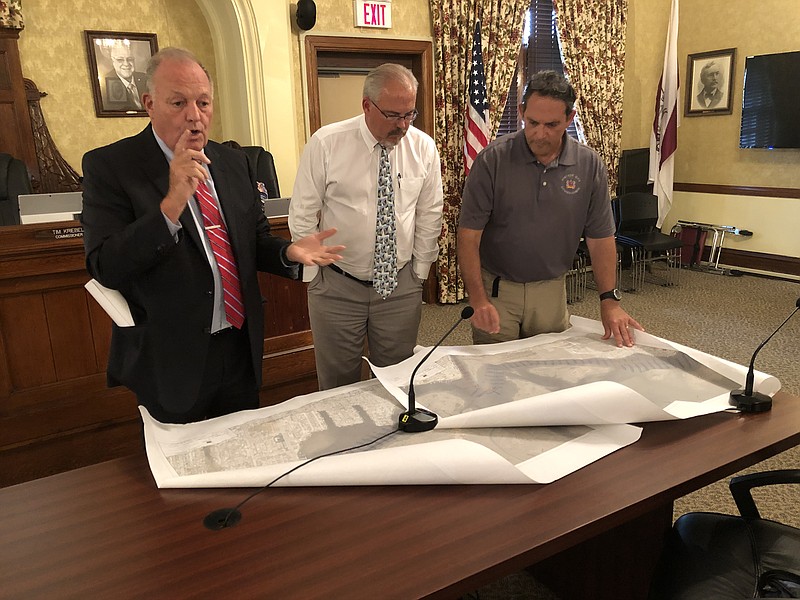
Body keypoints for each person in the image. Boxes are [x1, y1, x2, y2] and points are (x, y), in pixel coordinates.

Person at [81, 47, 343, 423]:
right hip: (171, 354)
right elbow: (106, 266)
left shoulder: (233, 161)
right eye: (178, 102)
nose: (194, 116)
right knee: (183, 472)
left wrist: (289, 253)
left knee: (244, 457)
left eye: (204, 102)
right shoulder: (110, 166)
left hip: (238, 344)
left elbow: (251, 242)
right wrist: (171, 204)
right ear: (149, 103)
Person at [458, 70, 642, 348]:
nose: (539, 134)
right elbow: (468, 236)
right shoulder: (492, 160)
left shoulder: (589, 165)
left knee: (550, 372)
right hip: (497, 290)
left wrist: (609, 300)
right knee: (493, 377)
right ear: (521, 112)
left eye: (552, 125)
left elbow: (600, 237)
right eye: (532, 122)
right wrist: (478, 299)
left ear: (570, 118)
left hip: (551, 289)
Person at [289, 63, 444, 390]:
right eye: (392, 115)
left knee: (398, 380)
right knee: (337, 384)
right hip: (337, 284)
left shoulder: (423, 148)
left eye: (409, 114)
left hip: (400, 284)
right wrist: (312, 275)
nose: (402, 125)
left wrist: (420, 271)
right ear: (366, 106)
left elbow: (430, 211)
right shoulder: (327, 143)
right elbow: (303, 210)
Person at [102, 42, 148, 111]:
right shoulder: (105, 85)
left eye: (130, 59)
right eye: (120, 60)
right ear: (112, 62)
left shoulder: (145, 79)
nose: (126, 64)